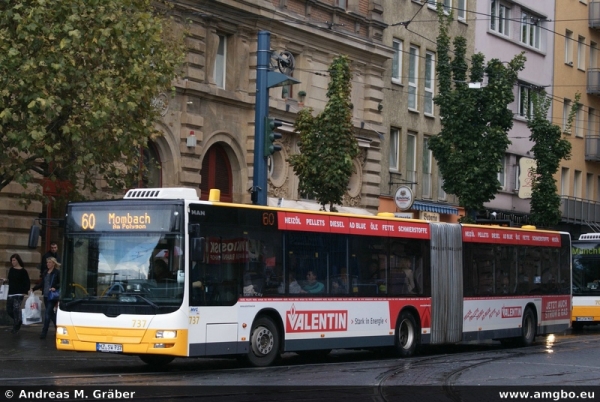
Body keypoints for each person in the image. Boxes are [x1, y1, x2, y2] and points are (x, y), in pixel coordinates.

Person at [32, 257, 60, 339]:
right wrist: (34, 288)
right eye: (47, 262)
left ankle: (44, 332)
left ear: (54, 264)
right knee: (51, 314)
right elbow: (42, 283)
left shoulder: (57, 272)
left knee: (47, 314)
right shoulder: (45, 272)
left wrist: (55, 287)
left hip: (52, 296)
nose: (48, 264)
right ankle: (58, 328)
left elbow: (60, 283)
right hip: (46, 295)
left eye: (50, 262)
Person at [2, 254, 30, 334]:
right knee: (9, 310)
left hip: (19, 293)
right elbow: (9, 280)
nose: (12, 262)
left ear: (18, 260)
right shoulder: (11, 270)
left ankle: (15, 326)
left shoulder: (23, 271)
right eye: (12, 260)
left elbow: (26, 282)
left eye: (14, 260)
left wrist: (25, 291)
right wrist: (4, 280)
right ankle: (18, 320)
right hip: (11, 292)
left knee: (16, 309)